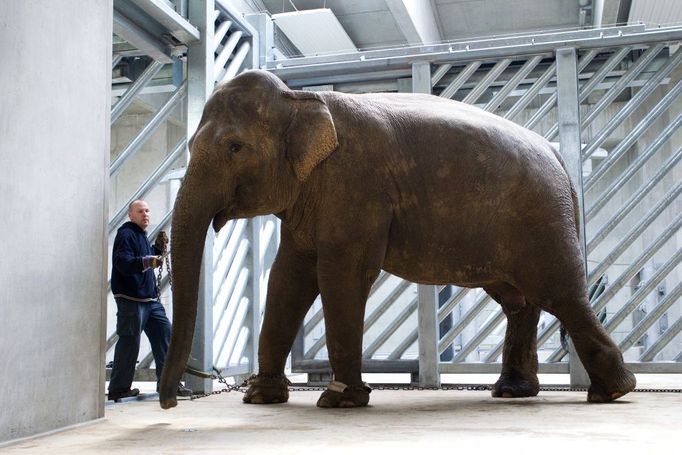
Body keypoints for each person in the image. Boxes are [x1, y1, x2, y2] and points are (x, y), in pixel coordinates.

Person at [108, 199, 192, 401]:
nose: (145, 214)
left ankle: (168, 384)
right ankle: (119, 389)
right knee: (129, 343)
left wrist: (155, 250)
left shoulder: (141, 236)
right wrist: (148, 260)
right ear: (130, 215)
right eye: (140, 211)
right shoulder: (125, 234)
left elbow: (144, 259)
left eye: (147, 210)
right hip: (131, 300)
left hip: (149, 301)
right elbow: (123, 263)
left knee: (165, 336)